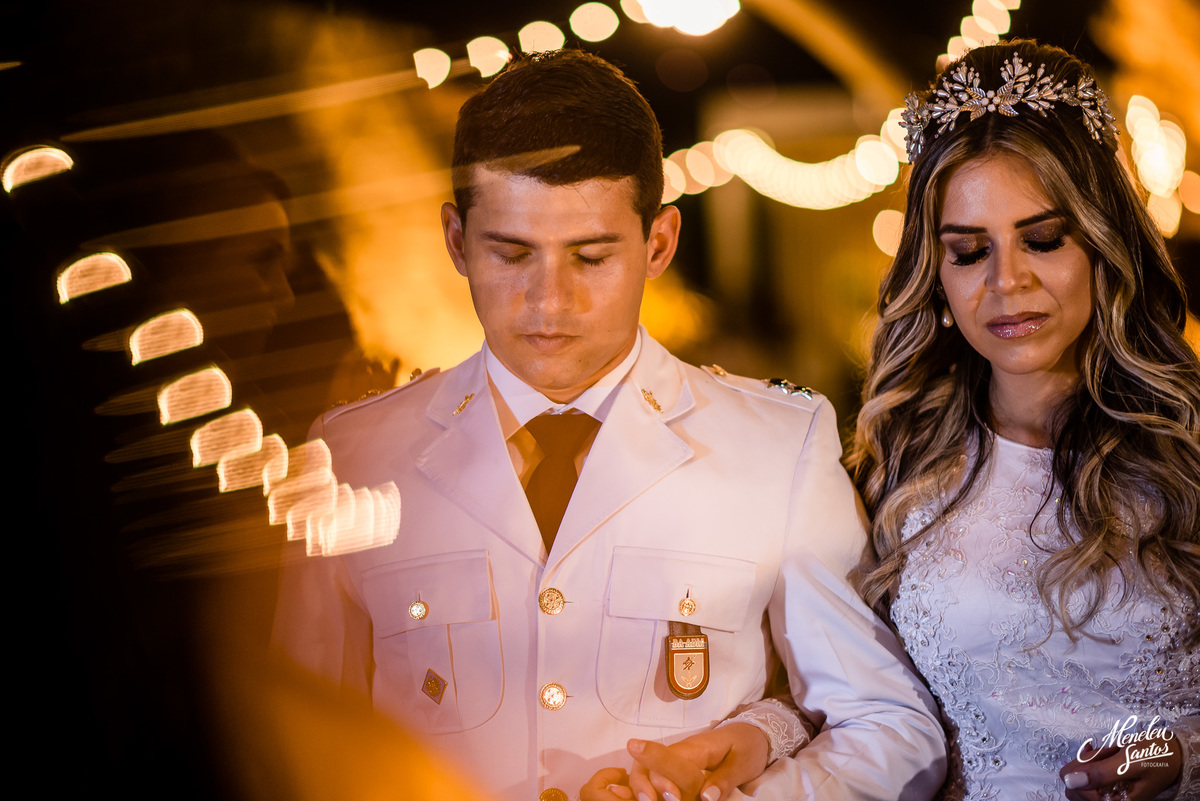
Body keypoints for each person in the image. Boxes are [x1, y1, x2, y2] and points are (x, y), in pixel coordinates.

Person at [273, 49, 946, 801]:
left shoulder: (778, 445)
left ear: (659, 242)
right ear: (457, 240)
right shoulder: (353, 456)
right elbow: (288, 738)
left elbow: (888, 725)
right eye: (511, 253)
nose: (549, 301)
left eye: (590, 257)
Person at [845, 39, 1200, 800]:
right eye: (970, 251)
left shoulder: (1189, 444)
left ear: (1104, 243)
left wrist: (1181, 755)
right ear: (933, 274)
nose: (1009, 282)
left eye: (1043, 239)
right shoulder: (896, 463)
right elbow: (854, 701)